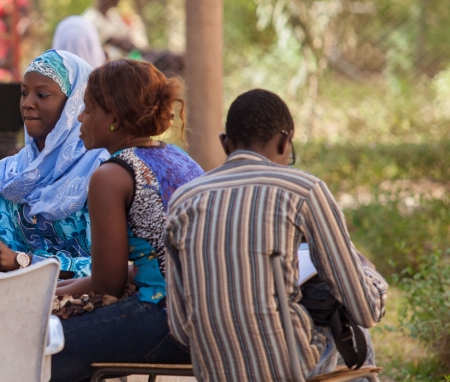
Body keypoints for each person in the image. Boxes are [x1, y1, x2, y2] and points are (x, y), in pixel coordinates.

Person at [165, 89, 387, 381]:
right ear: (285, 141)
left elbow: (181, 328)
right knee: (350, 322)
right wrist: (368, 274)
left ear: (224, 143)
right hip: (289, 369)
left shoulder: (183, 199)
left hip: (215, 369)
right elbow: (365, 310)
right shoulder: (304, 190)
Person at [47, 59, 203, 380]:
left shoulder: (111, 175)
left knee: (45, 343)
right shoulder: (178, 157)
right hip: (206, 315)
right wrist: (53, 288)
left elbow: (108, 285)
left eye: (88, 109)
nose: (80, 117)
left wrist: (48, 296)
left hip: (166, 319)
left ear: (114, 117)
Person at [0, 50, 108, 277]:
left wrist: (22, 262)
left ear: (74, 104)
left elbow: (108, 269)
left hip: (87, 301)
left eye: (42, 95)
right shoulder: (8, 176)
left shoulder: (100, 171)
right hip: (21, 294)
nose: (27, 103)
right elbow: (9, 258)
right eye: (23, 93)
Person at [82, 0, 148, 60]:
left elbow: (127, 37)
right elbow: (121, 43)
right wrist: (147, 52)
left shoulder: (113, 14)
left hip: (122, 63)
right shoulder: (90, 19)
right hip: (105, 68)